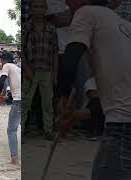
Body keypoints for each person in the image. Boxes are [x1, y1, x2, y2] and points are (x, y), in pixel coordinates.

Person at [57, 0, 131, 179]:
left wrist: (63, 98)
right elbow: (116, 99)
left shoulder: (86, 13)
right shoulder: (124, 26)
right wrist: (74, 115)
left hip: (123, 127)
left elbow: (70, 58)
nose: (66, 3)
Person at [23, 0, 58, 141]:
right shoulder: (26, 28)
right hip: (30, 70)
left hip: (47, 70)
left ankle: (48, 130)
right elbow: (23, 51)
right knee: (26, 102)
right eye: (35, 7)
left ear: (46, 9)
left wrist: (55, 74)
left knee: (47, 103)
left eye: (41, 7)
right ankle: (22, 130)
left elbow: (55, 52)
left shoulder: (51, 28)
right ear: (30, 9)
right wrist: (26, 68)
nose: (38, 9)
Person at [0, 52, 21, 165]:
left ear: (4, 60)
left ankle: (14, 158)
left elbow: (1, 81)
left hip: (19, 102)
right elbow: (16, 89)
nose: (1, 64)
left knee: (11, 130)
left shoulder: (7, 66)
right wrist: (5, 97)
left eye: (1, 61)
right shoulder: (17, 68)